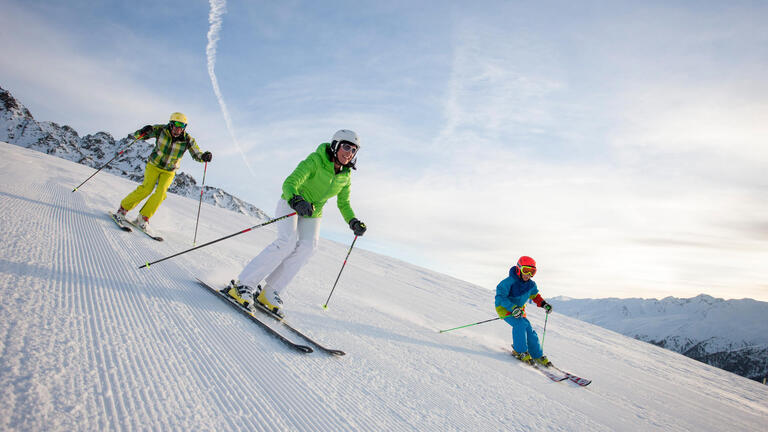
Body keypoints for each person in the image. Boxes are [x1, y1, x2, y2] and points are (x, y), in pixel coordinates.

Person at [227, 129, 367, 318]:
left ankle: (269, 292)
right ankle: (243, 284)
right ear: (335, 145)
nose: (349, 153)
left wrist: (353, 221)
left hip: (313, 212)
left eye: (353, 150)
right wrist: (296, 200)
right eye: (346, 146)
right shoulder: (316, 160)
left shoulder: (345, 175)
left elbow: (344, 203)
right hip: (292, 202)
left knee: (309, 246)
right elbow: (290, 182)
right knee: (287, 242)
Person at [114, 112, 212, 233]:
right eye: (176, 125)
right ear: (170, 124)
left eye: (182, 126)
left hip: (169, 170)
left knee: (161, 193)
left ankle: (143, 218)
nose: (178, 129)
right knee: (146, 189)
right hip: (154, 165)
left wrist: (204, 156)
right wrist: (143, 131)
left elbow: (197, 154)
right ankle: (122, 210)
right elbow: (138, 136)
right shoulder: (160, 130)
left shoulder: (188, 140)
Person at [495, 256, 554, 366]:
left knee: (528, 328)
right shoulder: (508, 282)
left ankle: (537, 355)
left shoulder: (531, 285)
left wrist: (544, 304)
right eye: (526, 270)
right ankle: (520, 351)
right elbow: (500, 298)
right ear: (519, 269)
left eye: (532, 272)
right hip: (504, 308)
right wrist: (513, 308)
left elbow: (535, 296)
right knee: (520, 324)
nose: (528, 275)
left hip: (519, 310)